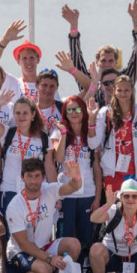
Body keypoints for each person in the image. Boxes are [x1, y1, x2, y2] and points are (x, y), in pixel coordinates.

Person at [5, 158, 84, 273]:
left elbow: (72, 187)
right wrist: (50, 258)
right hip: (20, 251)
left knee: (74, 245)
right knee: (45, 270)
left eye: (37, 176)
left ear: (43, 177)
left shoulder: (49, 190)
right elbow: (23, 244)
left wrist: (76, 178)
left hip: (44, 245)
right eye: (29, 176)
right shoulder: (15, 206)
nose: (33, 181)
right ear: (22, 177)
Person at [0, 93, 57, 222]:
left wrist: (55, 194)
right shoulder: (8, 133)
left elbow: (50, 168)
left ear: (33, 115)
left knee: (32, 230)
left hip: (36, 190)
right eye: (18, 113)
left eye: (25, 113)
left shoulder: (43, 138)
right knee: (11, 232)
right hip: (10, 189)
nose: (21, 116)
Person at [52, 96, 102, 262]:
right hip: (67, 193)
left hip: (87, 193)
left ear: (83, 111)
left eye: (77, 109)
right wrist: (64, 133)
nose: (74, 113)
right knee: (65, 236)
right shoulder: (59, 132)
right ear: (65, 113)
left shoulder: (90, 133)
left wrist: (97, 197)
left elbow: (96, 168)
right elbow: (58, 158)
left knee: (85, 237)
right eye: (70, 110)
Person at [87, 75, 137, 196]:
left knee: (134, 213)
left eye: (126, 90)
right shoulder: (105, 113)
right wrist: (92, 119)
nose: (123, 93)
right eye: (119, 90)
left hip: (136, 173)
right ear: (114, 91)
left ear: (132, 91)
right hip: (112, 174)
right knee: (115, 213)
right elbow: (93, 144)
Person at [62, 0, 137, 91]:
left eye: (110, 61)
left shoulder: (125, 79)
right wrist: (73, 26)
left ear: (116, 62)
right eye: (103, 61)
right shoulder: (88, 80)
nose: (107, 64)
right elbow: (76, 57)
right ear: (97, 62)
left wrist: (136, 20)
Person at [36, 69, 63, 134]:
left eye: (52, 86)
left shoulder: (63, 108)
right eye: (44, 85)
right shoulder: (30, 110)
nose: (48, 89)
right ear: (37, 86)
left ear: (56, 88)